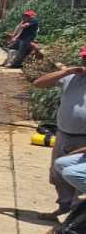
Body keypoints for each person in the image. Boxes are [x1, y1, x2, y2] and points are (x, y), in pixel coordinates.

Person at [32, 45, 86, 218]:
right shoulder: (72, 77)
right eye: (85, 58)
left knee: (78, 178)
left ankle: (75, 218)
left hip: (84, 139)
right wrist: (66, 72)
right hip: (63, 134)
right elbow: (38, 83)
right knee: (58, 174)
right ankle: (63, 206)